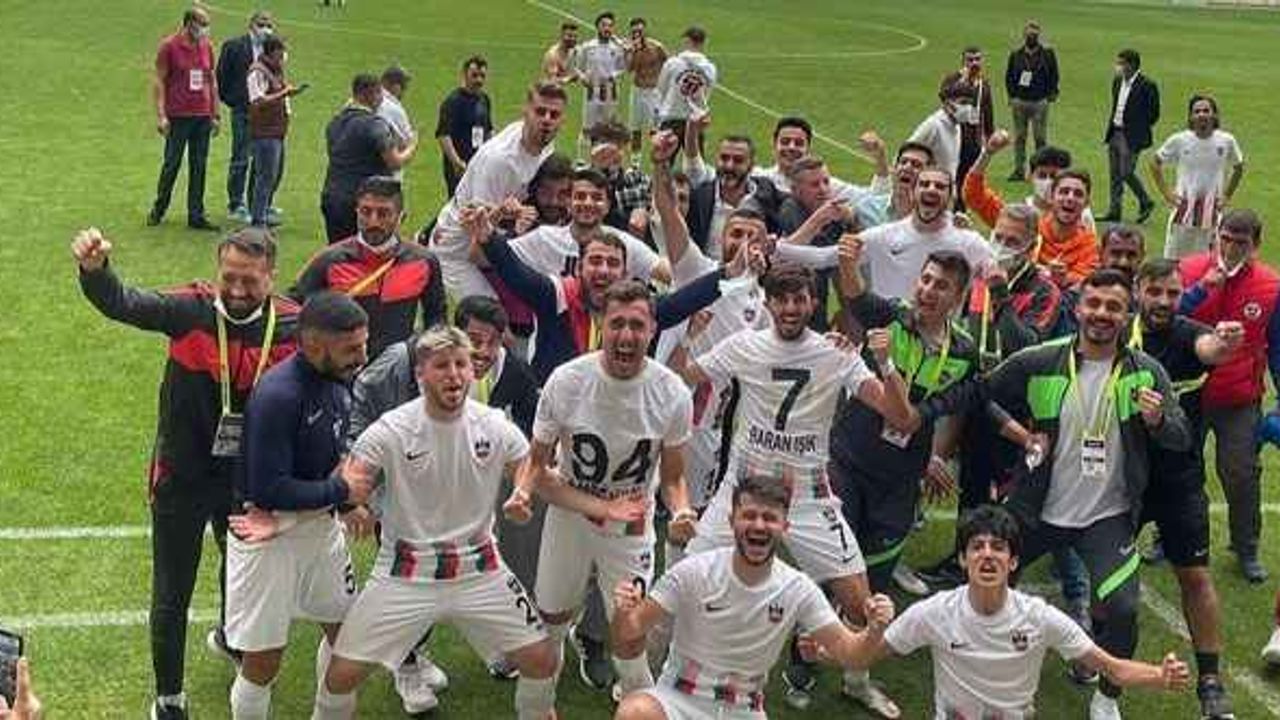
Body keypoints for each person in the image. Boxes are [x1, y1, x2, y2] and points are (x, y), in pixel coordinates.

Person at [921, 269, 1191, 720]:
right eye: (1094, 304)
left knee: (1123, 607)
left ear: (1128, 315)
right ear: (1078, 307)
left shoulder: (1146, 372)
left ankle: (1107, 697)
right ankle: (978, 665)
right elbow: (980, 392)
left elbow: (1181, 438)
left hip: (1106, 517)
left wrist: (1158, 421)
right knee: (985, 587)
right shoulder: (1041, 360)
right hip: (1035, 510)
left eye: (1113, 307)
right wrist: (1016, 432)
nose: (1102, 314)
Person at [73, 226, 297, 720]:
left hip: (246, 480)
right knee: (172, 590)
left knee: (242, 574)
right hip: (182, 476)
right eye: (229, 277)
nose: (236, 290)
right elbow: (124, 303)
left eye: (250, 281)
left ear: (271, 276)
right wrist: (96, 271)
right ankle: (169, 698)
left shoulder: (292, 325)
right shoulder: (190, 309)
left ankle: (231, 637)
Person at [679, 264, 915, 717]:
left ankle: (856, 681)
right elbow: (683, 376)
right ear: (768, 303)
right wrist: (687, 336)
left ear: (813, 303)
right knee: (688, 585)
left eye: (799, 299)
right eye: (781, 299)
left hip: (807, 496)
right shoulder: (744, 344)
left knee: (861, 606)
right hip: (743, 490)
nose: (790, 308)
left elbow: (901, 417)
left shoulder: (836, 352)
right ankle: (672, 683)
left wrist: (885, 363)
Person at [318, 326, 579, 720]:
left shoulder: (493, 424)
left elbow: (535, 474)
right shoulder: (392, 429)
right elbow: (351, 480)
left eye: (461, 364)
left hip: (480, 567)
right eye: (441, 365)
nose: (454, 374)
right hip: (406, 571)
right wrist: (348, 499)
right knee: (341, 675)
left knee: (541, 659)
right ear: (420, 374)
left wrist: (593, 505)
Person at [507, 280, 698, 704]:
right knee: (552, 616)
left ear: (653, 330)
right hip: (571, 516)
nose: (626, 335)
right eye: (617, 324)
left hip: (630, 525)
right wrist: (522, 492)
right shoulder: (567, 381)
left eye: (637, 325)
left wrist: (682, 510)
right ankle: (538, 705)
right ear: (600, 323)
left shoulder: (671, 392)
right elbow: (537, 460)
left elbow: (673, 478)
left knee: (629, 631)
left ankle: (639, 705)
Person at [610, 474, 897, 720]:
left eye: (770, 518)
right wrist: (624, 612)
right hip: (679, 697)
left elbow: (851, 652)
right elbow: (630, 630)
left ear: (785, 527)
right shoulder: (694, 571)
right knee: (635, 712)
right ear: (731, 521)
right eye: (749, 516)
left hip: (743, 708)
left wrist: (874, 630)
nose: (759, 525)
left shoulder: (797, 589)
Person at [865, 505, 1190, 719]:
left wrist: (1158, 675)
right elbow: (860, 655)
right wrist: (863, 634)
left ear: (1014, 562)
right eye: (977, 547)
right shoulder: (934, 612)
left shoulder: (1039, 618)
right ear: (962, 559)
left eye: (998, 547)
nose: (987, 555)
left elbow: (1112, 669)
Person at [224, 292, 369, 720]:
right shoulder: (279, 396)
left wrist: (342, 503)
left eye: (363, 344)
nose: (362, 357)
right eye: (351, 348)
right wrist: (341, 492)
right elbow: (270, 489)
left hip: (319, 528)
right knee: (263, 663)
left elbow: (329, 450)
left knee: (349, 641)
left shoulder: (338, 376)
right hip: (265, 534)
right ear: (314, 345)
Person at [833, 243, 981, 593]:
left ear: (958, 297)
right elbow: (856, 296)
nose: (928, 290)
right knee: (837, 563)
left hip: (900, 477)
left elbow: (910, 421)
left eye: (941, 285)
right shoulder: (892, 316)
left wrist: (935, 456)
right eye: (925, 280)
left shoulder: (964, 354)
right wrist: (848, 262)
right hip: (850, 459)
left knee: (876, 578)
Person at [1131, 258, 1242, 718]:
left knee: (1195, 577)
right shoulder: (1118, 333)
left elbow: (1210, 348)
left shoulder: (1189, 334)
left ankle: (1210, 681)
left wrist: (1226, 341)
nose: (1163, 301)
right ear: (1138, 290)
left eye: (1173, 293)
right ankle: (1098, 660)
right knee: (1108, 572)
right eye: (1155, 291)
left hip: (1180, 480)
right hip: (1126, 478)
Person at [471, 217, 724, 383]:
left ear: (625, 274)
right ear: (579, 267)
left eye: (612, 263)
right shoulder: (556, 296)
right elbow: (517, 274)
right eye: (595, 261)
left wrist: (729, 274)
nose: (603, 270)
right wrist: (490, 239)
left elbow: (683, 301)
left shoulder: (636, 309)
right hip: (554, 413)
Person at [1178, 209, 1280, 583]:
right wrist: (1201, 289)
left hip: (1239, 396)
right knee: (1179, 469)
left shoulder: (1272, 286)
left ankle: (1246, 546)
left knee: (1241, 473)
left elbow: (1278, 346)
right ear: (1215, 236)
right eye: (1226, 239)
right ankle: (1168, 536)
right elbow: (1164, 318)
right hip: (1186, 393)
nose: (1231, 248)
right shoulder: (1189, 270)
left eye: (1241, 242)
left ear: (1256, 245)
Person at [430, 82, 567, 300]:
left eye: (554, 114)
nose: (547, 120)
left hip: (498, 236)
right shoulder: (498, 160)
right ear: (525, 111)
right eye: (540, 112)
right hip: (458, 249)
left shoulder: (545, 144)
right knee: (490, 312)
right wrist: (507, 212)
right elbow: (475, 221)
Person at [294, 176, 446, 360]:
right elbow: (292, 307)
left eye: (383, 213)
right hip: (344, 367)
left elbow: (436, 316)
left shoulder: (424, 261)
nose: (373, 222)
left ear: (401, 217)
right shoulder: (329, 261)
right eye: (366, 212)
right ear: (356, 213)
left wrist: (424, 353)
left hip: (398, 366)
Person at [853, 166, 994, 300]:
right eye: (924, 184)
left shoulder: (969, 242)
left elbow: (997, 271)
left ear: (951, 197)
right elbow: (841, 257)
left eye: (940, 186)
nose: (931, 189)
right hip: (888, 317)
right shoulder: (882, 236)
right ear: (912, 193)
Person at [148, 7, 220, 231]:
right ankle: (159, 208)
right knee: (172, 164)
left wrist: (215, 113)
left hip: (202, 116)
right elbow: (159, 81)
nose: (205, 30)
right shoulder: (169, 46)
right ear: (189, 24)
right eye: (202, 25)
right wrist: (162, 115)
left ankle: (196, 214)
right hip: (178, 116)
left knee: (199, 166)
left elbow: (211, 80)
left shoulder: (207, 46)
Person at [320, 74, 416, 243]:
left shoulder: (334, 123)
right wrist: (412, 146)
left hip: (332, 197)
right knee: (367, 252)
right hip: (364, 202)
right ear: (372, 94)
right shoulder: (375, 125)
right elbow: (394, 162)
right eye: (380, 94)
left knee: (339, 253)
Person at [1150, 94, 1245, 258]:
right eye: (1197, 111)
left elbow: (1239, 167)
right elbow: (1155, 163)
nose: (1202, 114)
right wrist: (1167, 193)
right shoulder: (1179, 140)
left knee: (1209, 259)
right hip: (1184, 209)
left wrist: (1227, 195)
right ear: (1191, 117)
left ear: (1214, 115)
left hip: (1212, 210)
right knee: (1174, 259)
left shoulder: (1226, 141)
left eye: (1206, 110)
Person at [963, 130, 1096, 234]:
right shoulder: (1018, 216)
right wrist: (987, 153)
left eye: (1054, 176)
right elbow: (973, 195)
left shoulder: (1081, 214)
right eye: (1042, 176)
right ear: (1030, 176)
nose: (1048, 182)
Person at [216, 10, 275, 225]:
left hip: (265, 111)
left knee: (261, 159)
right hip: (243, 109)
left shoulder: (271, 49)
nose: (265, 29)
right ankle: (236, 204)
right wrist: (233, 101)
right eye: (261, 24)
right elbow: (221, 76)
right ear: (251, 24)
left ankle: (257, 203)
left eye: (269, 25)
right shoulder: (234, 46)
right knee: (240, 158)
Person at [753, 116, 890, 201]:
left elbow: (876, 198)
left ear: (808, 149)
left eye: (799, 143)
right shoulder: (759, 178)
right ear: (774, 145)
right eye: (785, 142)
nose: (791, 147)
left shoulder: (826, 185)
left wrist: (880, 157)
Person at [245, 36, 300, 228]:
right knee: (265, 177)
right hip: (265, 133)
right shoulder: (257, 73)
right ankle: (258, 219)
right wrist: (284, 93)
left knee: (274, 175)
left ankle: (263, 212)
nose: (283, 57)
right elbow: (257, 101)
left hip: (277, 132)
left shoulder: (275, 70)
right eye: (280, 53)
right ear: (271, 53)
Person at [1102, 49, 1160, 224]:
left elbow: (1154, 114)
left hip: (1132, 136)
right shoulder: (1117, 81)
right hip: (1115, 131)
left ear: (1132, 65)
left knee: (1126, 172)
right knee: (1114, 174)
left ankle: (1146, 201)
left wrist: (1138, 128)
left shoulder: (1147, 85)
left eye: (1121, 63)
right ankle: (1114, 210)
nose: (1118, 67)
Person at [1003, 19, 1059, 182]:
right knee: (1020, 137)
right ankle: (1019, 170)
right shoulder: (1016, 55)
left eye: (1034, 34)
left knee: (1040, 138)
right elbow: (1009, 76)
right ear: (1024, 35)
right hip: (1020, 101)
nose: (1031, 37)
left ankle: (1040, 171)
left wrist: (1051, 94)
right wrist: (1012, 97)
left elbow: (1054, 74)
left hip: (1039, 101)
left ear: (1038, 36)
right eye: (1029, 34)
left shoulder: (1047, 54)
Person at [570, 12, 628, 157]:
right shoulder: (588, 47)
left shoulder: (617, 48)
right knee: (587, 127)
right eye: (604, 25)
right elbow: (576, 66)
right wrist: (583, 78)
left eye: (610, 26)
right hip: (592, 91)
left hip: (610, 92)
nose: (607, 28)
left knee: (607, 127)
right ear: (597, 27)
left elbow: (623, 67)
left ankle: (603, 158)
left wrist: (613, 76)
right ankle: (582, 160)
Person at [435, 56, 493, 197]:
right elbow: (443, 135)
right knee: (459, 204)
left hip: (479, 163)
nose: (479, 80)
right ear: (464, 75)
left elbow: (489, 129)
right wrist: (456, 162)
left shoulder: (484, 99)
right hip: (460, 167)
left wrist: (491, 154)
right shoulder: (453, 102)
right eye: (474, 75)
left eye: (482, 76)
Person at [946, 47, 995, 209]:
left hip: (973, 139)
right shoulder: (953, 79)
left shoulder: (983, 84)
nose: (974, 63)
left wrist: (989, 135)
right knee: (952, 175)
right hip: (953, 136)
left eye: (977, 59)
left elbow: (988, 111)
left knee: (967, 178)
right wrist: (964, 80)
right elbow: (944, 94)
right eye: (970, 60)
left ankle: (960, 210)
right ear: (963, 62)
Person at [907, 74, 978, 182]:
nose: (967, 108)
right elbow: (906, 152)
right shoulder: (933, 126)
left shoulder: (957, 126)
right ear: (948, 103)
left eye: (970, 103)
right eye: (963, 102)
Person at [655, 26, 716, 143]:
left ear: (687, 41)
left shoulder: (672, 63)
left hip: (672, 116)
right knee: (695, 154)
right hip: (696, 118)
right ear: (704, 42)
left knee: (665, 154)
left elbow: (661, 88)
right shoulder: (710, 68)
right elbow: (707, 92)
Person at [624, 17, 666, 153]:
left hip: (653, 93)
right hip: (637, 91)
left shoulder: (657, 47)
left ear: (645, 31)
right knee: (635, 128)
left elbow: (669, 64)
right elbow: (629, 69)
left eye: (640, 31)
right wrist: (631, 52)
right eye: (634, 32)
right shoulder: (631, 48)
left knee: (655, 130)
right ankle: (635, 162)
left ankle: (659, 159)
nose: (637, 34)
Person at [377, 66, 417, 181]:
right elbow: (407, 141)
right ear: (395, 87)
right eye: (403, 87)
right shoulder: (394, 108)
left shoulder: (361, 100)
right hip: (387, 174)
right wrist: (415, 141)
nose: (404, 93)